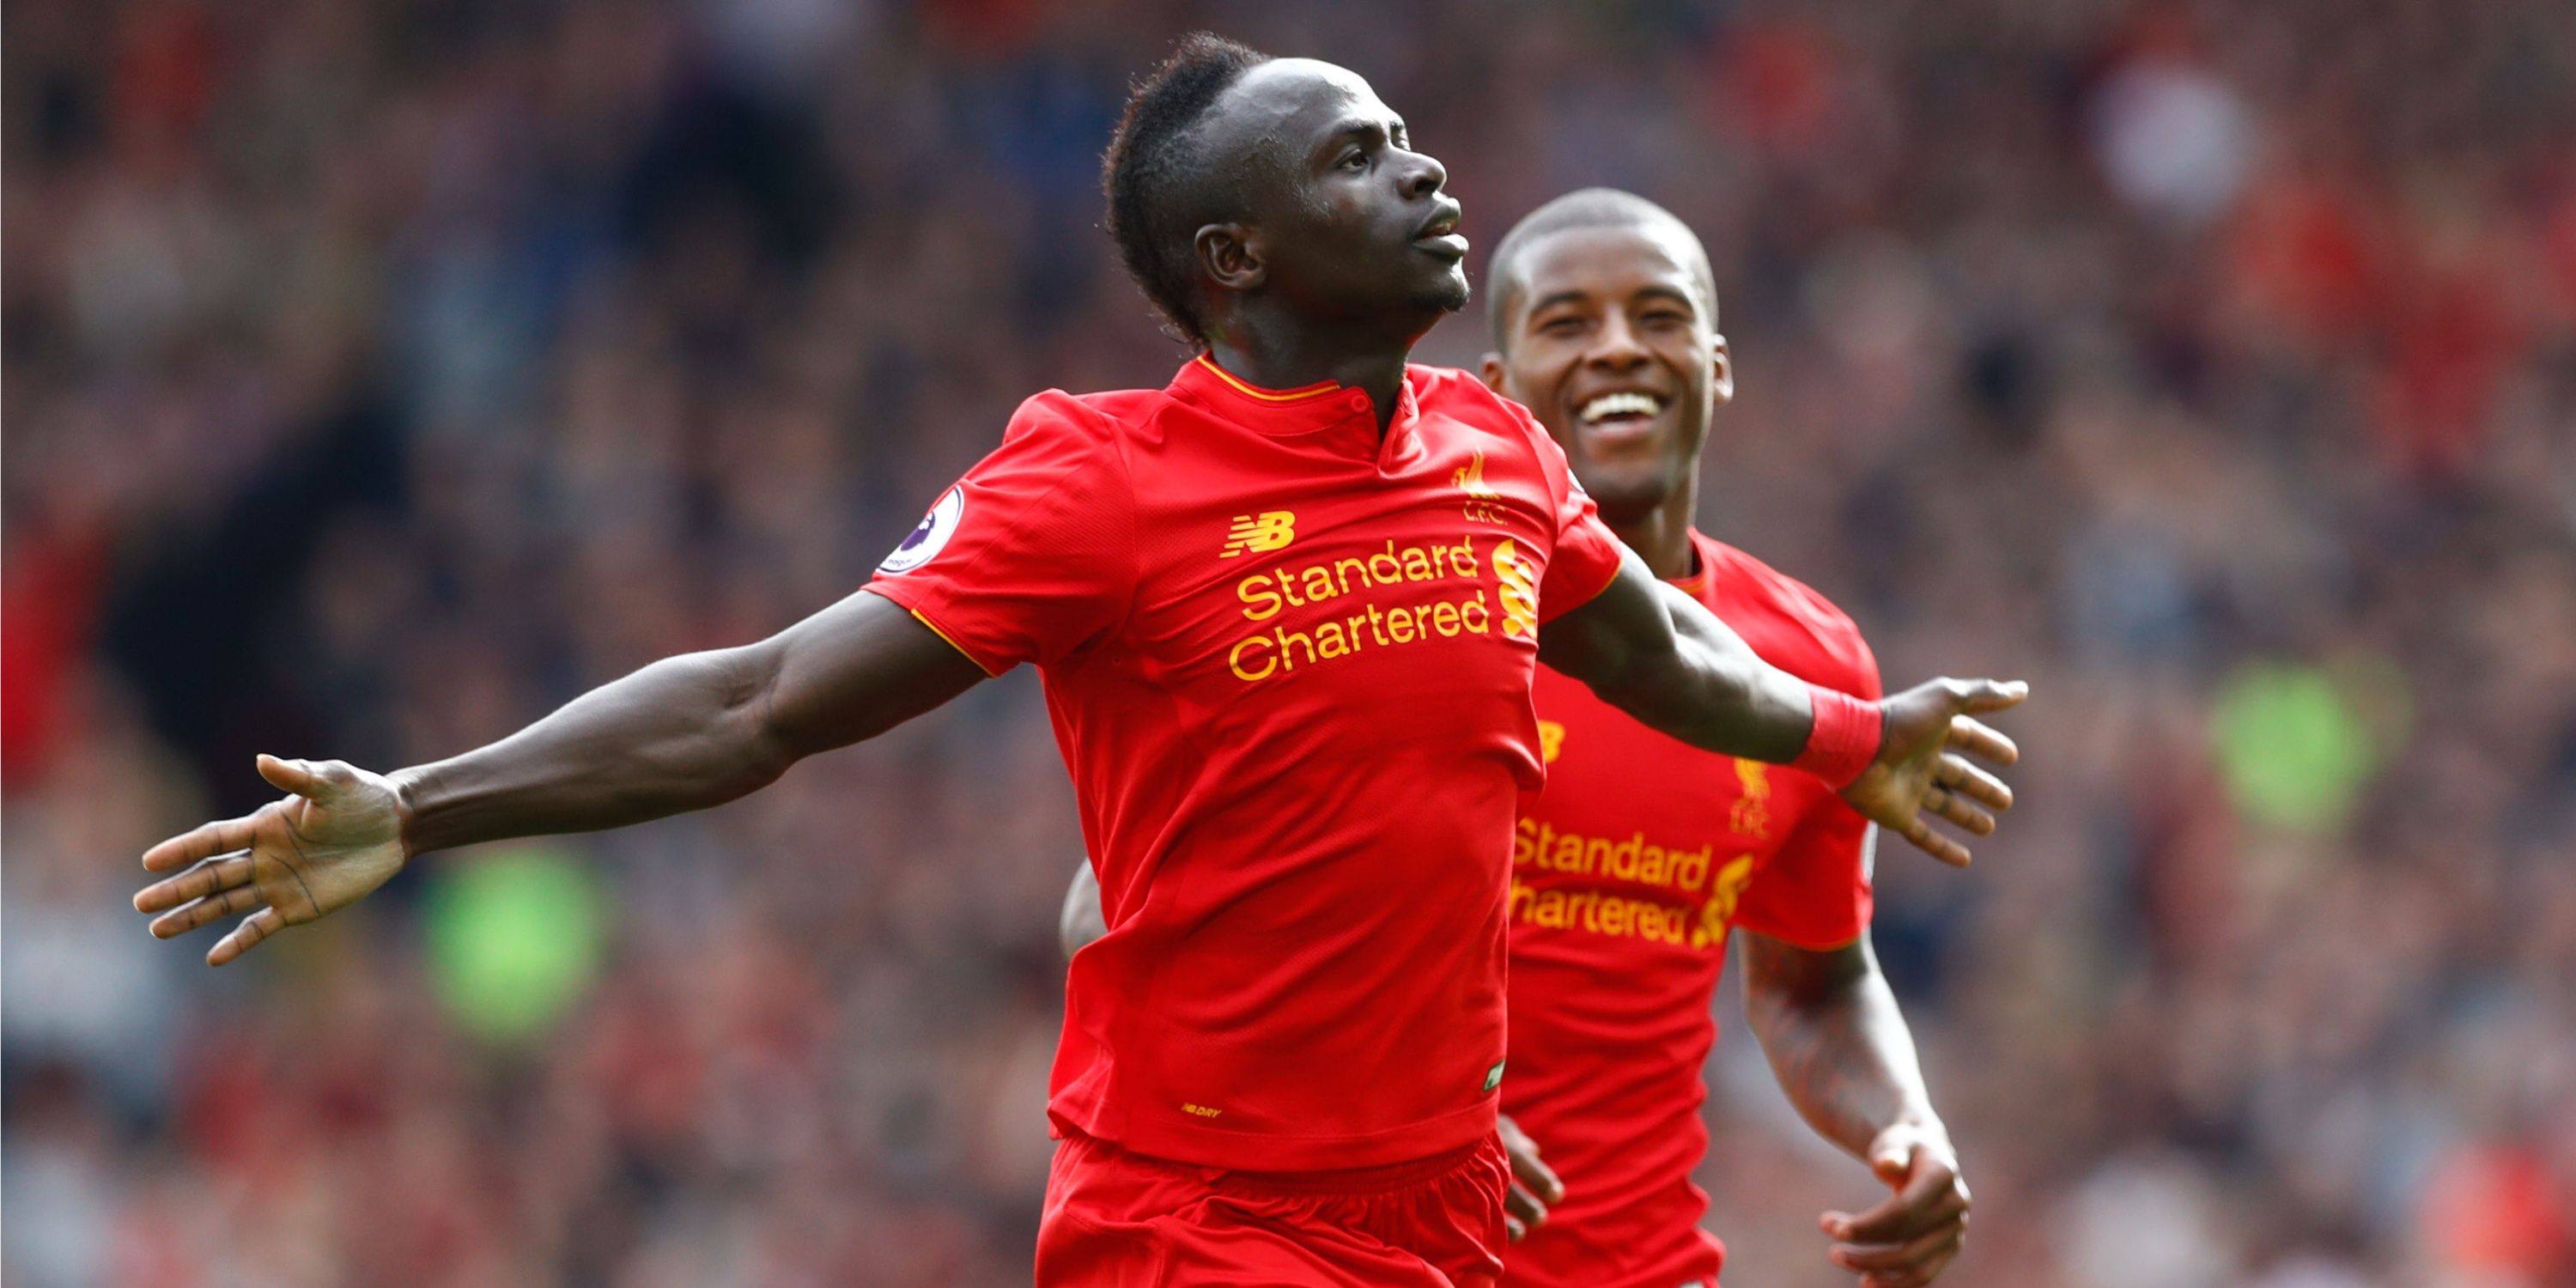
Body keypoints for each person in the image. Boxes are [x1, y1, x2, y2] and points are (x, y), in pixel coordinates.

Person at [132, 35, 2023, 1287]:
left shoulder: (1486, 449)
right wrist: (423, 804)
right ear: (1237, 258)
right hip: (1206, 1223)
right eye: (1362, 160)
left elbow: (1671, 659)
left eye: (1409, 138)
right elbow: (762, 700)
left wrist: (1851, 731)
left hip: (1449, 1215)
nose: (1428, 173)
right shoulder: (1100, 484)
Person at [1485, 188, 1969, 1287]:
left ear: (1717, 363)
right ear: (1497, 391)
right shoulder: (1405, 620)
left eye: (1656, 317)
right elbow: (1122, 909)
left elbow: (1813, 985)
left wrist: (1903, 1122)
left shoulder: (1809, 663)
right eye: (1567, 323)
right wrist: (1399, 1110)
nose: (1617, 349)